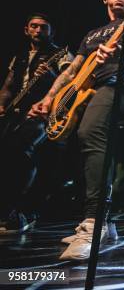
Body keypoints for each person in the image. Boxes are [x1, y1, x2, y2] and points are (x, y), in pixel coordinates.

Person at [29, 0, 124, 260]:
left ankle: (93, 223)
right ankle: (107, 223)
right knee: (82, 144)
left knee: (90, 134)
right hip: (84, 93)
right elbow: (71, 72)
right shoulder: (92, 34)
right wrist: (49, 98)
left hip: (115, 86)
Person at [0, 13, 72, 233]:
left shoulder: (61, 54)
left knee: (22, 151)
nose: (38, 30)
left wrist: (50, 77)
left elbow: (70, 83)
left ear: (51, 31)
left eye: (43, 27)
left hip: (43, 112)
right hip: (16, 112)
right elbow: (9, 85)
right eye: (34, 26)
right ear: (26, 29)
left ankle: (16, 210)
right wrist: (2, 104)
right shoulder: (20, 56)